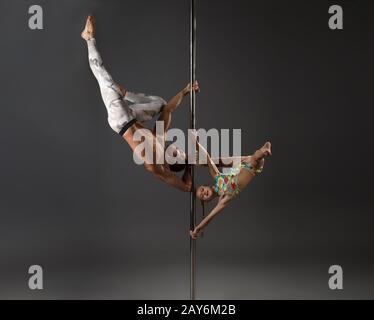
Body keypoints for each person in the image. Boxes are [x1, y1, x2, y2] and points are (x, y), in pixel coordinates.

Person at [81, 15, 200, 192]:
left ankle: (88, 38)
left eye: (180, 154)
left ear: (173, 161)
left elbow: (187, 186)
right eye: (181, 151)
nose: (179, 149)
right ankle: (126, 94)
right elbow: (168, 110)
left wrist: (190, 165)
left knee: (105, 80)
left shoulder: (158, 167)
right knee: (161, 103)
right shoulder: (160, 138)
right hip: (132, 114)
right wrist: (185, 91)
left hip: (121, 120)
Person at [190, 139, 272, 239]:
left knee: (247, 159)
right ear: (206, 201)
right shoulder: (222, 200)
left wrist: (196, 144)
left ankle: (263, 151)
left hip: (246, 162)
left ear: (206, 186)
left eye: (202, 190)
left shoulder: (217, 176)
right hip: (251, 168)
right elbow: (209, 217)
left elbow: (207, 158)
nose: (203, 193)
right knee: (254, 160)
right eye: (202, 196)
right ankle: (263, 151)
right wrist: (198, 229)